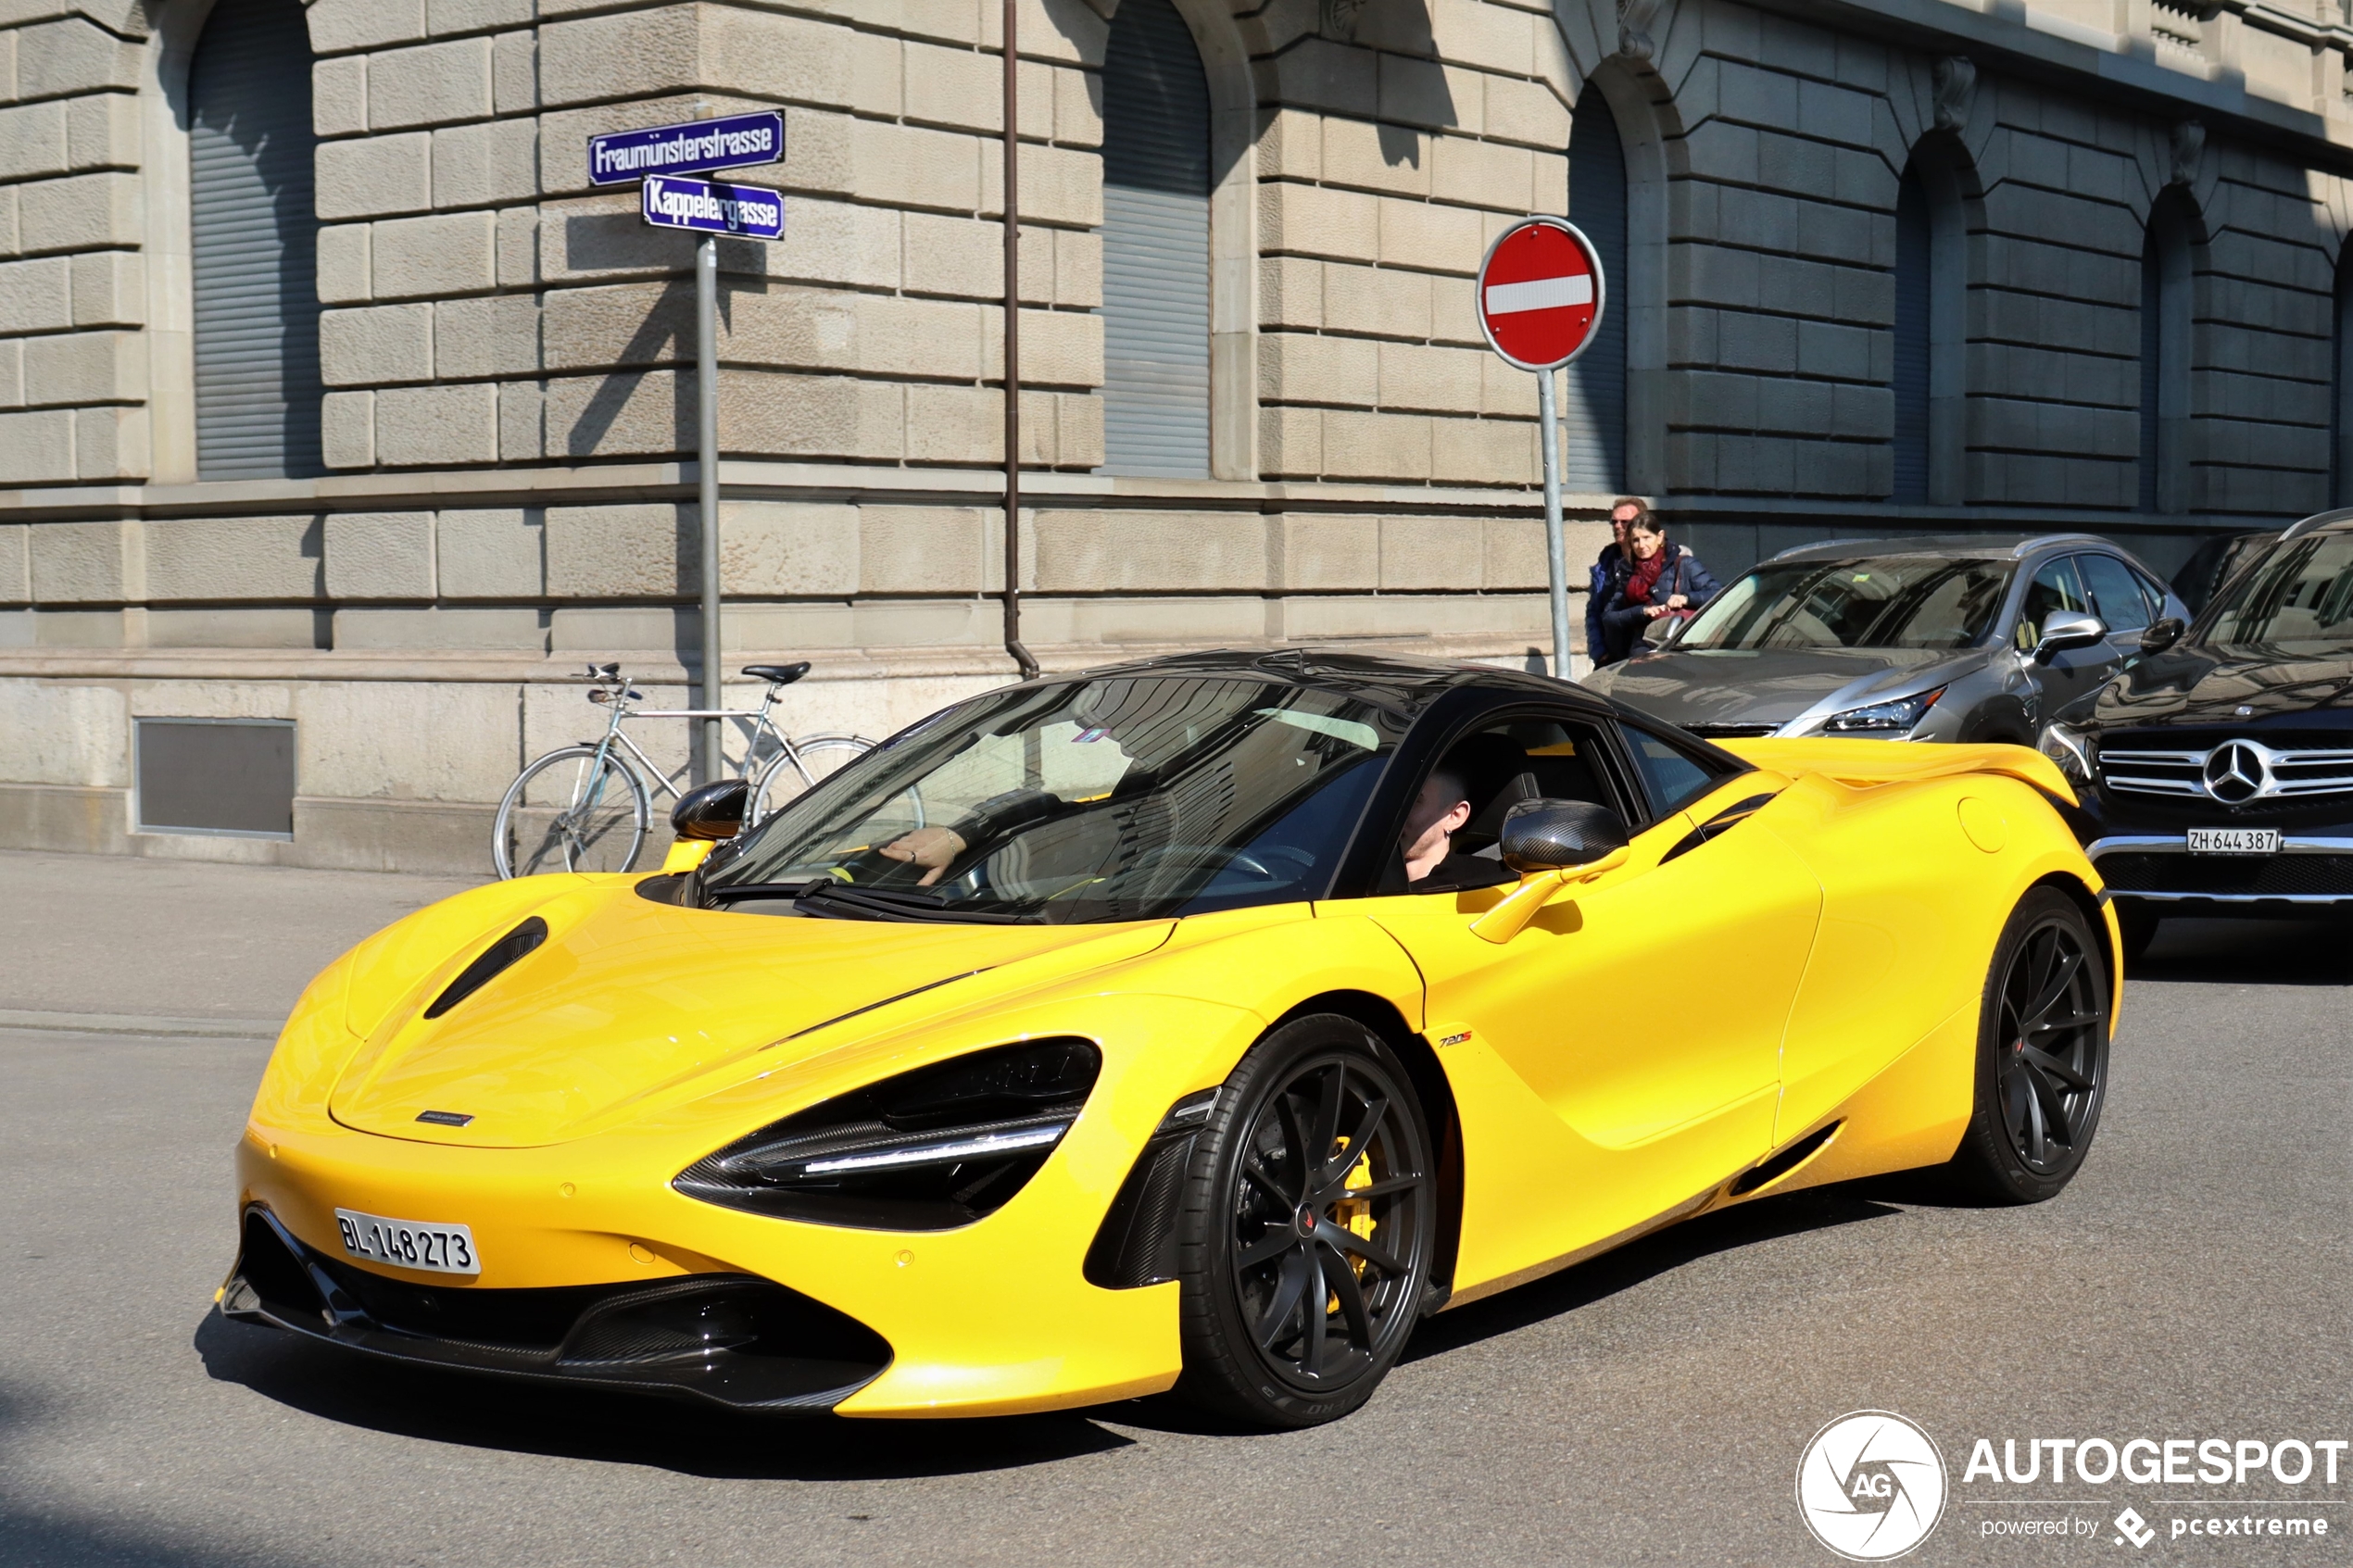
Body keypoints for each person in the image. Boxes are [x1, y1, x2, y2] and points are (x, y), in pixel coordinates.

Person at [1397, 735, 1524, 892]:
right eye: (1395, 798)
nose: (1397, 810)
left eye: (1414, 801)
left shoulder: (1481, 886)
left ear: (1455, 816)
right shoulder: (1364, 871)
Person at [1598, 515, 1719, 667]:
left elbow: (1718, 594)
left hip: (1680, 650)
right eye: (1636, 540)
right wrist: (1642, 612)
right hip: (1641, 652)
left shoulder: (1684, 564)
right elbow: (1609, 617)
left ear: (1660, 537)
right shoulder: (1628, 572)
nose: (1641, 545)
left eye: (1647, 537)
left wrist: (1686, 598)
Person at [1585, 497, 1642, 669]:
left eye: (1625, 522)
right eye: (1614, 522)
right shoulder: (1605, 562)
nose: (1618, 526)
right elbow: (1594, 612)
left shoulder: (1662, 560)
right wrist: (1599, 652)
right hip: (1610, 658)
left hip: (1642, 657)